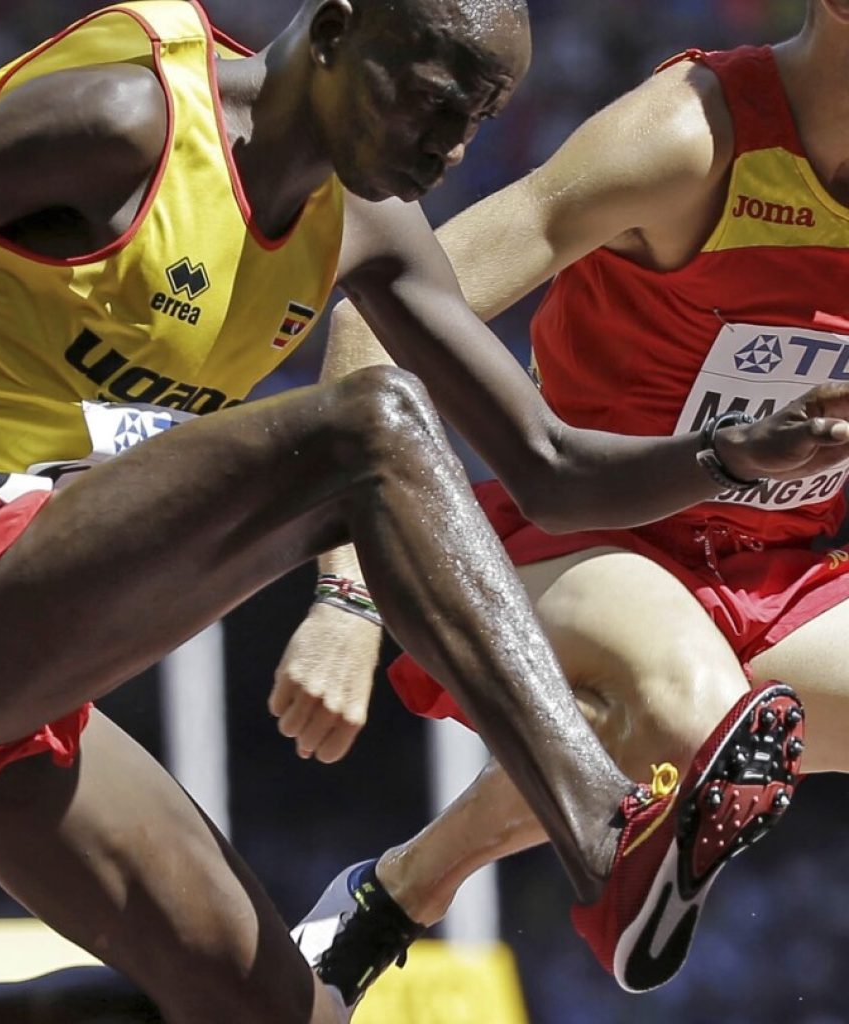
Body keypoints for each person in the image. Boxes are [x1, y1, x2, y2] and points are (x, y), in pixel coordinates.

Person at [0, 0, 837, 1020]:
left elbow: (552, 468)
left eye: (478, 120)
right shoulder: (120, 123)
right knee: (370, 426)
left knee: (272, 1005)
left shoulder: (370, 226)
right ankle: (602, 825)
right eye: (435, 103)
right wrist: (346, 607)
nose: (449, 149)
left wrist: (729, 454)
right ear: (336, 31)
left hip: (11, 648)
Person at [285, 0, 849, 1007]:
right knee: (697, 711)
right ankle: (604, 868)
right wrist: (346, 590)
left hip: (775, 572)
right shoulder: (687, 138)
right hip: (587, 539)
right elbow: (385, 302)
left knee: (716, 724)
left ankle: (397, 891)